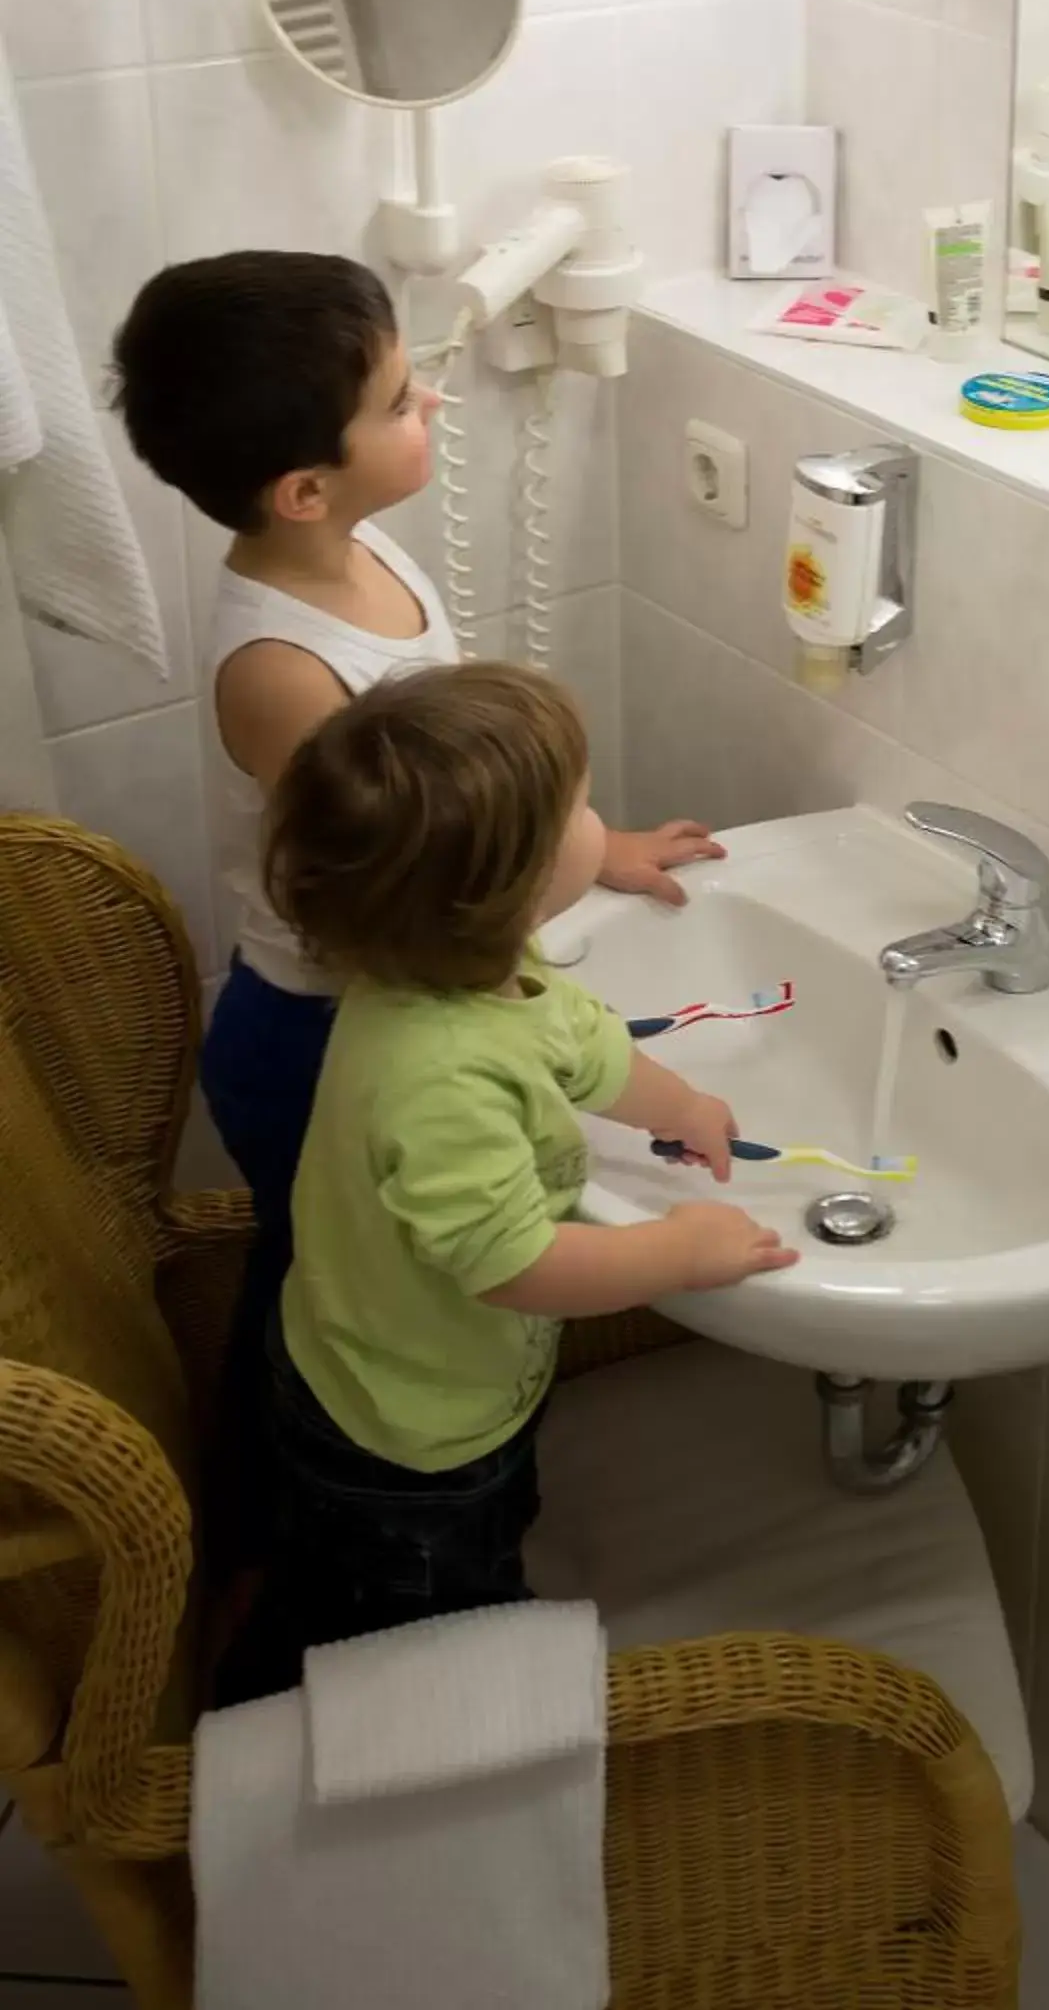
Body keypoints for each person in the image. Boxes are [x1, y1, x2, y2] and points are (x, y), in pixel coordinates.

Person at [111, 251, 723, 1247]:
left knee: (402, 1277)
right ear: (304, 490)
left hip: (395, 995)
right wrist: (550, 898)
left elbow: (460, 767)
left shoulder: (360, 551)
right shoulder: (282, 672)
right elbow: (407, 867)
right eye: (398, 402)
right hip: (323, 1032)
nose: (432, 401)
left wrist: (595, 847)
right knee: (334, 1286)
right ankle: (294, 1405)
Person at [218, 662, 795, 1699]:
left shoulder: (483, 970)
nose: (594, 815)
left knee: (405, 1550)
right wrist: (677, 1250)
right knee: (416, 1608)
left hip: (416, 1375)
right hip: (399, 1433)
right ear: (507, 888)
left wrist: (685, 1110)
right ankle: (327, 1705)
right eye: (574, 807)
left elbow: (590, 1050)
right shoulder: (434, 1072)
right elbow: (510, 1265)